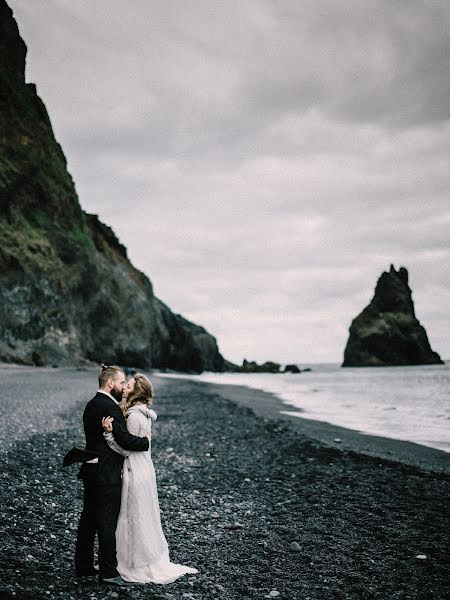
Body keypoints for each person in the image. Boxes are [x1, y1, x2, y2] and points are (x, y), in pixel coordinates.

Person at [101, 372, 198, 584]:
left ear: (136, 391)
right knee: (141, 514)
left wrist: (108, 434)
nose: (125, 387)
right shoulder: (143, 413)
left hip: (135, 470)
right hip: (144, 468)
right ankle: (135, 559)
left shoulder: (135, 416)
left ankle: (131, 563)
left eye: (129, 385)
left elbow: (127, 449)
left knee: (131, 515)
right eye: (125, 384)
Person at [71, 364, 150, 587]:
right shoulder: (110, 407)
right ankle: (108, 572)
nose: (123, 386)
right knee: (106, 521)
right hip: (106, 473)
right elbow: (124, 439)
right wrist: (146, 442)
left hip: (90, 469)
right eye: (122, 382)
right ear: (110, 383)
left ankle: (84, 565)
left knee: (89, 519)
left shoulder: (91, 404)